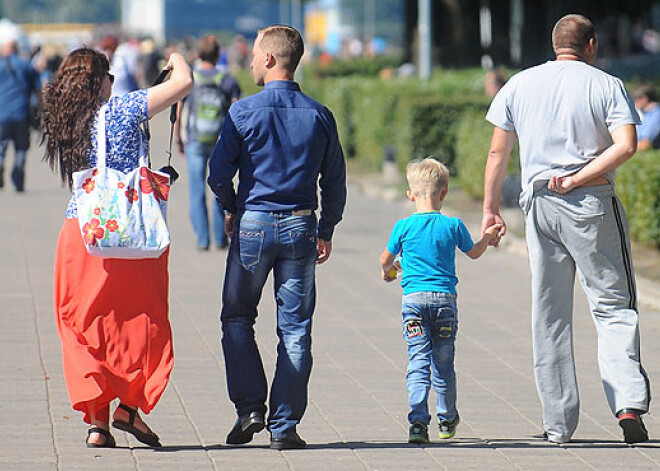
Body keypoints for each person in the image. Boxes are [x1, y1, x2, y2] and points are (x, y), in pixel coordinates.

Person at [483, 14, 650, 444]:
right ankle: (628, 405)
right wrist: (577, 179)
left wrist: (489, 209)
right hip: (590, 203)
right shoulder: (605, 84)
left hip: (538, 204)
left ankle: (557, 425)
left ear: (554, 44)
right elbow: (627, 145)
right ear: (591, 45)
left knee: (549, 312)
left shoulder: (518, 84)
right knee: (613, 304)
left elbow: (498, 151)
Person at [41, 47, 193, 448]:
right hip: (134, 235)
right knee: (138, 321)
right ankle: (129, 406)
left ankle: (97, 422)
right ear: (101, 79)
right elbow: (184, 84)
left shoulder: (67, 120)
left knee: (82, 324)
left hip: (82, 232)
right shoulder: (124, 109)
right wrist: (177, 59)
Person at [208, 25, 346, 450]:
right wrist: (326, 228)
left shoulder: (241, 112)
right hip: (302, 226)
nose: (249, 62)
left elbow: (217, 173)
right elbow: (335, 183)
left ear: (270, 60)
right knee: (296, 329)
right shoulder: (320, 114)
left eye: (253, 55)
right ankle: (284, 428)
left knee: (237, 317)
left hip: (253, 224)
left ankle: (250, 408)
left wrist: (232, 208)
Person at [379, 158, 500, 444]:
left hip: (413, 303)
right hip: (445, 302)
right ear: (444, 193)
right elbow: (474, 252)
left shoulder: (403, 227)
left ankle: (418, 423)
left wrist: (389, 272)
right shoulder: (453, 225)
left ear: (410, 195)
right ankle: (446, 419)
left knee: (418, 361)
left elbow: (386, 260)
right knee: (443, 363)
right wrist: (489, 236)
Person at [175, 35, 241, 251]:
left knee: (196, 191)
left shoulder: (190, 78)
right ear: (217, 55)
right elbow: (237, 111)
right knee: (219, 188)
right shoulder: (228, 79)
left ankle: (203, 239)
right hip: (220, 141)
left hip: (194, 139)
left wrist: (179, 138)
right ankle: (221, 237)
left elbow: (179, 109)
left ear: (198, 55)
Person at [0, 39, 40, 191]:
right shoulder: (26, 65)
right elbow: (37, 88)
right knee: (21, 147)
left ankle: (1, 161)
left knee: (1, 146)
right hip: (21, 113)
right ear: (16, 49)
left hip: (2, 114)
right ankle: (18, 174)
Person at [632, 83, 660, 150]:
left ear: (644, 99)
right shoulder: (646, 114)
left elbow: (645, 144)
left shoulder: (655, 116)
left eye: (635, 101)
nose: (634, 104)